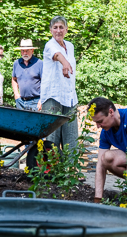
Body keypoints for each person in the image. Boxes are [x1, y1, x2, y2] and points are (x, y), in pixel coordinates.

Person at [39, 16, 78, 151]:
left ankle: (72, 169)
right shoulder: (49, 45)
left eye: (61, 27)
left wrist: (67, 64)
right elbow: (57, 55)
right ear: (50, 30)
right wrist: (65, 62)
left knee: (72, 135)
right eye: (55, 27)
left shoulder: (70, 46)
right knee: (52, 136)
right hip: (53, 95)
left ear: (66, 30)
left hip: (69, 95)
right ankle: (52, 170)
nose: (58, 30)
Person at [12, 39, 43, 111]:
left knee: (35, 122)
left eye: (27, 51)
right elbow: (14, 79)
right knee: (20, 121)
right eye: (23, 51)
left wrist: (42, 99)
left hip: (35, 101)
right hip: (20, 101)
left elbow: (45, 82)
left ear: (32, 51)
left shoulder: (39, 63)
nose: (25, 53)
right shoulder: (17, 63)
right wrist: (16, 94)